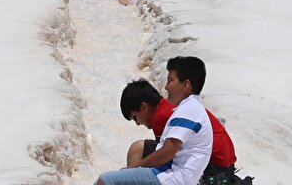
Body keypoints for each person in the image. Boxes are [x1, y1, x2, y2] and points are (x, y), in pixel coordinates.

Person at [96, 56, 215, 185]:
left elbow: (167, 152)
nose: (166, 87)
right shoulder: (189, 108)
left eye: (170, 81)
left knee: (105, 181)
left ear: (186, 85)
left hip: (173, 178)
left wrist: (135, 168)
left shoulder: (188, 109)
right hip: (174, 175)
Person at [121, 78, 238, 183]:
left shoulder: (160, 117)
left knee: (137, 149)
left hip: (213, 167)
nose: (137, 123)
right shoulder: (170, 106)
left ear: (144, 107)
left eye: (135, 117)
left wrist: (134, 167)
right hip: (225, 164)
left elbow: (164, 156)